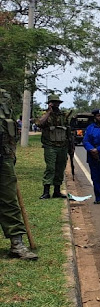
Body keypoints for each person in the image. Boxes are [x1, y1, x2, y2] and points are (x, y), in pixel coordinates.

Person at [0, 89, 38, 260]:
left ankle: (17, 244)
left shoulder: (4, 96)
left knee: (9, 200)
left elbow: (10, 128)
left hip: (4, 157)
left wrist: (11, 154)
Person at [37, 93, 70, 199]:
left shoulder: (63, 116)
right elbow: (39, 124)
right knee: (50, 168)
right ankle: (46, 191)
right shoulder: (45, 115)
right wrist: (49, 113)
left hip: (62, 146)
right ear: (49, 104)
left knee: (60, 168)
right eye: (53, 103)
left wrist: (71, 146)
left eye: (57, 103)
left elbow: (68, 131)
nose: (56, 105)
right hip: (50, 146)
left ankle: (57, 191)